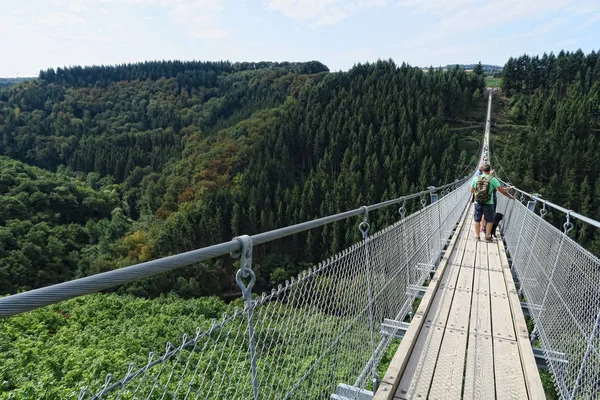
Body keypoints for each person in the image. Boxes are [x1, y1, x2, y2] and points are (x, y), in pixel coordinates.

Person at [470, 163, 515, 241]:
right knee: (490, 220)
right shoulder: (493, 179)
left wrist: (478, 193)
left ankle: (477, 236)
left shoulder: (476, 178)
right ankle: (487, 236)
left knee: (477, 219)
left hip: (478, 202)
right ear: (489, 170)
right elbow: (502, 191)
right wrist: (510, 197)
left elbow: (471, 190)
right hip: (489, 203)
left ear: (482, 170)